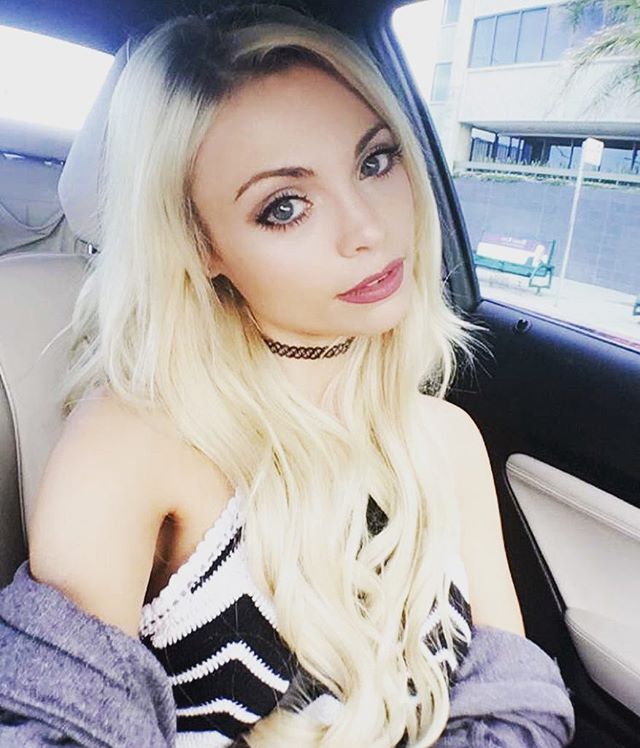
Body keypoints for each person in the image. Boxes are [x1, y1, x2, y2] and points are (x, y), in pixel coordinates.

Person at [0, 4, 575, 747]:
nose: (367, 228)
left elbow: (514, 707)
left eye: (375, 162)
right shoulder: (134, 443)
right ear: (201, 245)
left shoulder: (445, 437)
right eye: (285, 206)